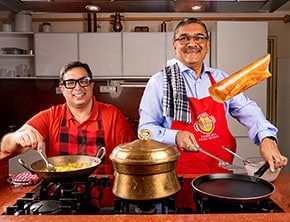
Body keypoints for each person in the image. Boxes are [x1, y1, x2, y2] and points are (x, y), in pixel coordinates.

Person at [138, 17, 287, 174]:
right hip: (177, 177)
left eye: (199, 38)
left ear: (207, 45)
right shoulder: (159, 82)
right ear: (175, 46)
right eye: (184, 38)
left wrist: (267, 138)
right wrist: (175, 136)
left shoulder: (221, 79)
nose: (192, 43)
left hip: (220, 175)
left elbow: (247, 109)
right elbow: (144, 131)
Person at [1, 61, 136, 174]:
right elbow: (6, 144)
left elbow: (131, 158)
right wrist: (17, 138)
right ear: (62, 89)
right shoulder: (51, 116)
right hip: (59, 197)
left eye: (83, 81)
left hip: (104, 198)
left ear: (91, 86)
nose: (78, 87)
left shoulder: (113, 115)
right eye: (70, 83)